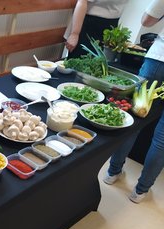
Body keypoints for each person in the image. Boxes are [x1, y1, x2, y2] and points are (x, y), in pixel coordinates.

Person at [103, 0, 164, 203]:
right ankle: (140, 191)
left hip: (159, 58)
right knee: (162, 138)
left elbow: (146, 21)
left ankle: (112, 173)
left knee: (133, 122)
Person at [65, 0, 129, 58]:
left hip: (112, 26)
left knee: (102, 65)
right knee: (80, 62)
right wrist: (75, 33)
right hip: (89, 25)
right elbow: (82, 2)